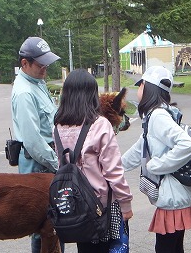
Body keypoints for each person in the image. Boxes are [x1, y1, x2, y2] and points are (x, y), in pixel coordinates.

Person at [54, 68, 133, 253]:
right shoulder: (100, 124)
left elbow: (61, 165)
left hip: (77, 207)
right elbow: (113, 171)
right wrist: (126, 203)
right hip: (103, 207)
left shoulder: (57, 126)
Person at [122, 66, 191, 253]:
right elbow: (139, 149)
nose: (138, 90)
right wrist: (113, 168)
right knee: (173, 248)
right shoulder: (156, 115)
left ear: (148, 87)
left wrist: (156, 165)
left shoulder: (158, 116)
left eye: (140, 85)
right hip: (175, 196)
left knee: (166, 249)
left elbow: (187, 145)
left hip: (172, 197)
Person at [11, 36, 62, 253]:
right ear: (25, 63)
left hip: (47, 160)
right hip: (39, 164)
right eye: (41, 64)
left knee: (55, 225)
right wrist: (60, 165)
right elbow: (33, 142)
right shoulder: (24, 92)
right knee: (42, 226)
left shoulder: (37, 83)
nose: (45, 68)